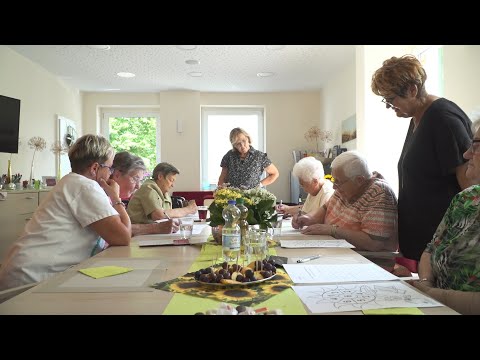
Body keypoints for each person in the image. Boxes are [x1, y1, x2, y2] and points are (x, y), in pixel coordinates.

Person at [371, 54, 473, 271]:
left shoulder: (443, 118)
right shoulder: (417, 117)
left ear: (412, 90)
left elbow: (470, 188)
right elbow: (424, 174)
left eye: (391, 100)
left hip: (444, 246)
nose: (389, 107)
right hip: (421, 244)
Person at [0, 134, 131, 291]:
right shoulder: (85, 186)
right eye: (109, 168)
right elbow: (123, 236)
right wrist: (115, 197)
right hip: (31, 279)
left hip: (26, 272)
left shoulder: (73, 182)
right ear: (95, 168)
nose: (110, 174)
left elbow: (111, 227)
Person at [411, 126, 480, 315]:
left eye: (476, 145)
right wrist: (425, 283)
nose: (466, 154)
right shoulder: (466, 199)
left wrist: (431, 294)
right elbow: (431, 249)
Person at [293, 151, 398, 260]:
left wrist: (332, 230)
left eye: (338, 182)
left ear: (359, 180)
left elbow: (374, 243)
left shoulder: (378, 193)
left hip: (363, 260)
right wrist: (307, 218)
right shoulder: (345, 187)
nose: (334, 187)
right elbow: (325, 209)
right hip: (337, 251)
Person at [111, 151, 179, 235]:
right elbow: (118, 230)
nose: (138, 186)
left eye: (140, 181)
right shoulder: (103, 197)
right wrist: (157, 228)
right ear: (117, 174)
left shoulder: (114, 198)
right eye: (135, 179)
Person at [127, 162, 197, 223]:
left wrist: (184, 208)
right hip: (138, 234)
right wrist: (188, 209)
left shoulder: (165, 193)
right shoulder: (148, 188)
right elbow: (158, 215)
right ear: (160, 176)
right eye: (171, 180)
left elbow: (167, 216)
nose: (172, 185)